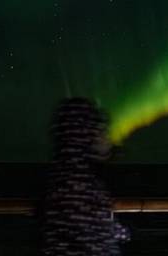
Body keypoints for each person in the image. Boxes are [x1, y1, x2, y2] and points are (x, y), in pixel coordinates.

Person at [40, 98, 130, 256]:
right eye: (103, 132)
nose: (108, 139)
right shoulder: (79, 182)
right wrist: (122, 233)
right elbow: (89, 236)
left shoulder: (61, 175)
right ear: (87, 135)